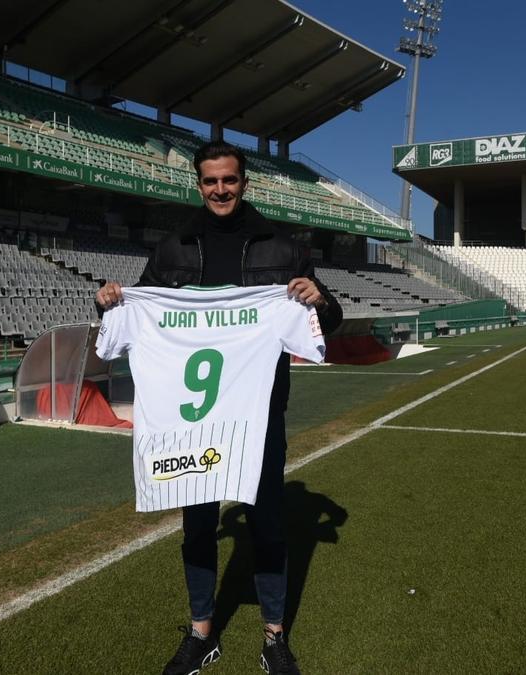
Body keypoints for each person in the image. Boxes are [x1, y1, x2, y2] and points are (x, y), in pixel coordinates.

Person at [95, 140, 342, 675]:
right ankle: (201, 632)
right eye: (211, 181)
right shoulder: (173, 248)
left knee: (268, 522)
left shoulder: (283, 247)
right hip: (191, 422)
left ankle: (274, 637)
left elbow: (330, 323)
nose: (220, 189)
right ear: (199, 184)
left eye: (229, 180)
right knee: (199, 523)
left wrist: (319, 299)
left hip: (258, 415)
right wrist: (113, 304)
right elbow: (140, 310)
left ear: (244, 183)